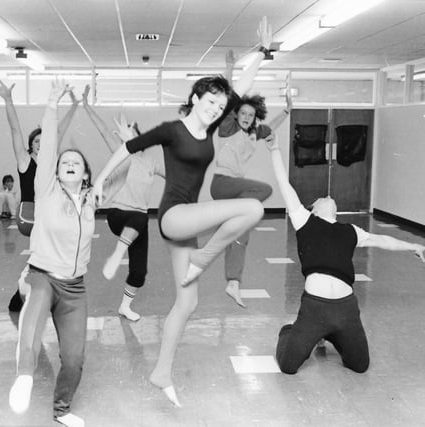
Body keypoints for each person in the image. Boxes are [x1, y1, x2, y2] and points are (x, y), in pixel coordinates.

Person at [92, 17, 273, 408]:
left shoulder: (207, 131)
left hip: (187, 223)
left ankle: (162, 372)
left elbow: (238, 92)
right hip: (173, 215)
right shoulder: (172, 130)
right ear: (195, 99)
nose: (215, 110)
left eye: (220, 107)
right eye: (210, 103)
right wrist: (98, 184)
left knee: (187, 303)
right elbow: (128, 148)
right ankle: (206, 260)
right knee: (251, 208)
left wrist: (261, 53)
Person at [8, 79, 127, 427]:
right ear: (57, 173)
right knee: (31, 321)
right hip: (42, 275)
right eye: (64, 162)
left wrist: (123, 142)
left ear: (86, 173)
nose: (69, 163)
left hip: (75, 288)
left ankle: (61, 410)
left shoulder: (93, 199)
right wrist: (51, 103)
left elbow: (124, 171)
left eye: (76, 162)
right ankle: (24, 377)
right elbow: (47, 151)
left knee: (74, 358)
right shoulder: (46, 191)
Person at [265, 136, 425, 375]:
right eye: (322, 198)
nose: (327, 197)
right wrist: (275, 150)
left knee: (359, 365)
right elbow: (284, 183)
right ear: (317, 208)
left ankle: (331, 335)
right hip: (314, 308)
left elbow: (382, 241)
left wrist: (411, 246)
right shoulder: (304, 221)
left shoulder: (351, 230)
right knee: (288, 366)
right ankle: (289, 331)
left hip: (346, 309)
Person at [209, 54, 293, 308]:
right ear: (237, 115)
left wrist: (288, 110)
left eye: (250, 114)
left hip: (234, 192)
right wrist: (230, 66)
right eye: (242, 113)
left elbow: (272, 127)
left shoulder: (254, 133)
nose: (246, 117)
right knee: (264, 189)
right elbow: (231, 94)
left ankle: (233, 282)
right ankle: (240, 216)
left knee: (241, 236)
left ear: (254, 117)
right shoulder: (227, 128)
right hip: (222, 184)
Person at [0, 78, 80, 313]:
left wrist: (73, 105)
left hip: (52, 216)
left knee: (46, 258)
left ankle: (23, 295)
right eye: (37, 141)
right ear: (31, 145)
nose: (41, 144)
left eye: (44, 141)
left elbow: (59, 131)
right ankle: (30, 294)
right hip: (32, 216)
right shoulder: (25, 161)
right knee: (45, 256)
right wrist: (8, 99)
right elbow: (14, 130)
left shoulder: (52, 162)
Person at [82, 85, 165, 321]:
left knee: (139, 272)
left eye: (132, 133)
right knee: (140, 217)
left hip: (138, 222)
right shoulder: (121, 153)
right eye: (125, 134)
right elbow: (101, 128)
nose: (128, 136)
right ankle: (117, 253)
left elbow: (176, 176)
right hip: (118, 215)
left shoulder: (150, 162)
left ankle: (125, 306)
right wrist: (87, 105)